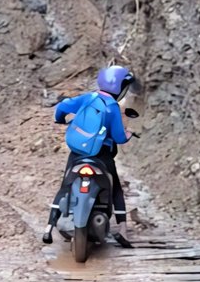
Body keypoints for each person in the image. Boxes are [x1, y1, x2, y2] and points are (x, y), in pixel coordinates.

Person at [42, 65, 141, 247]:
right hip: (101, 156)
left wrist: (60, 119)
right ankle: (123, 231)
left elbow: (63, 106)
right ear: (120, 87)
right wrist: (129, 135)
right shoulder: (112, 108)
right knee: (116, 189)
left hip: (78, 153)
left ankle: (49, 227)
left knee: (66, 184)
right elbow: (118, 136)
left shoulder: (88, 97)